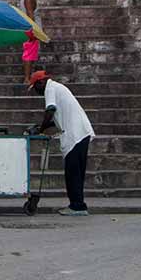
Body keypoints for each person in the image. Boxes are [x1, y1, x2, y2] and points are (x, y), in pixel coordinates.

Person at [28, 70, 94, 216]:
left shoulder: (50, 89)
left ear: (40, 83)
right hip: (81, 132)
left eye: (35, 88)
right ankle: (79, 205)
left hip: (75, 135)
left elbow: (50, 110)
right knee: (77, 172)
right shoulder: (58, 88)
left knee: (72, 172)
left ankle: (77, 207)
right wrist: (42, 127)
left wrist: (41, 129)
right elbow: (55, 118)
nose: (36, 92)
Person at [20, 0, 42, 85]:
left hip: (29, 30)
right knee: (29, 54)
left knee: (30, 54)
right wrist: (34, 31)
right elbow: (30, 15)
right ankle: (27, 78)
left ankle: (28, 77)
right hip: (31, 30)